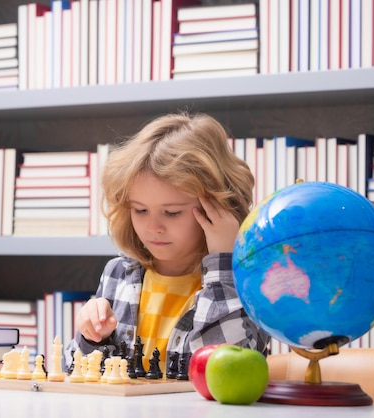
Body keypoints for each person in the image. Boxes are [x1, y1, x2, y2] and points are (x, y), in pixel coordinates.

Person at [64, 111, 270, 374]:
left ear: (218, 208)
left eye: (172, 212)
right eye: (140, 210)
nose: (153, 228)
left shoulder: (246, 281)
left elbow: (225, 371)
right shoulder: (119, 274)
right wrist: (92, 338)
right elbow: (72, 371)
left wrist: (223, 266)